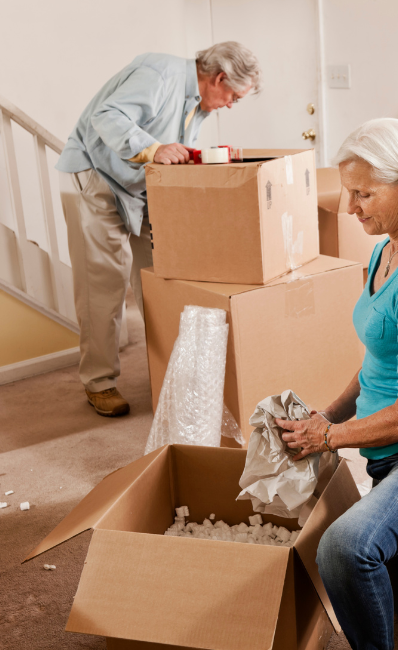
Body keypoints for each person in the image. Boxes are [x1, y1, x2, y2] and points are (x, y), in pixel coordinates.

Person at [277, 118, 398, 649]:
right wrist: (327, 416)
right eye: (349, 191)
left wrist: (328, 439)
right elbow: (376, 365)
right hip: (388, 456)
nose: (349, 207)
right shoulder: (386, 250)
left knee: (345, 547)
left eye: (364, 193)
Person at [56, 43, 260, 417]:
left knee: (163, 275)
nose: (230, 105)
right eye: (233, 96)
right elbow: (107, 115)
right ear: (218, 78)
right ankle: (99, 383)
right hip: (96, 177)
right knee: (104, 280)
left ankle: (172, 372)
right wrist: (153, 150)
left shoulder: (195, 104)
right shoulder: (161, 74)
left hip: (137, 186)